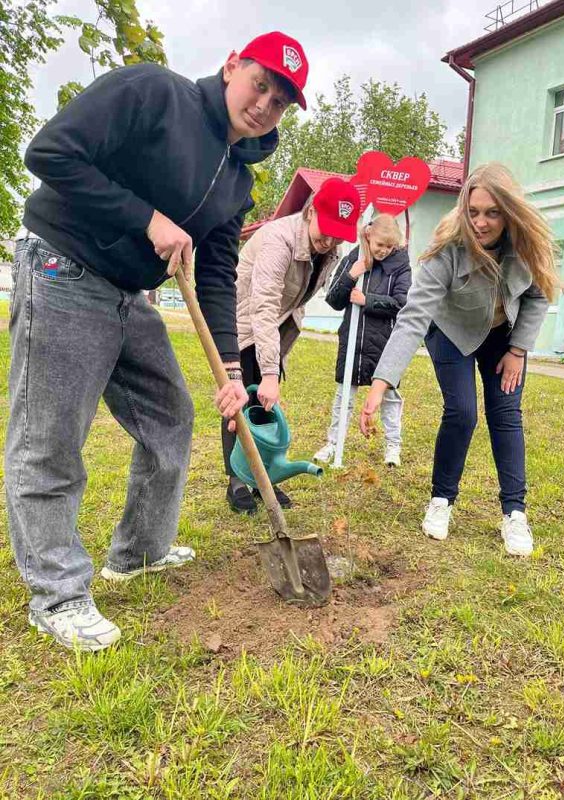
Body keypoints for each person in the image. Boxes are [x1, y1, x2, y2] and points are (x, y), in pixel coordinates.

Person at [5, 31, 310, 651]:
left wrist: (230, 369)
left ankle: (139, 552)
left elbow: (219, 276)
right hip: (63, 266)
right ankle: (58, 594)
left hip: (127, 294)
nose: (264, 105)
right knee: (52, 438)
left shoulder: (236, 181)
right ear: (232, 66)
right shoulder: (153, 92)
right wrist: (145, 218)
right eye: (261, 84)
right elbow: (49, 153)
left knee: (171, 416)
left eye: (279, 101)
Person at [360, 163, 559, 556]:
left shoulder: (524, 247)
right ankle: (441, 500)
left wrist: (518, 350)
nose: (481, 223)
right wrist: (381, 383)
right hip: (450, 332)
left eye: (492, 212)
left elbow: (537, 296)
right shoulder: (448, 250)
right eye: (473, 212)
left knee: (505, 413)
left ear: (508, 211)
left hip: (503, 336)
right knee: (462, 412)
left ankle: (515, 513)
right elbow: (413, 317)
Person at [224, 177, 361, 513]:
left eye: (337, 233)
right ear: (310, 211)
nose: (329, 240)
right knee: (240, 399)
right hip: (241, 322)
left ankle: (263, 477)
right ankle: (238, 480)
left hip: (276, 326)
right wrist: (269, 372)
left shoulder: (330, 249)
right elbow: (264, 304)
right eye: (325, 228)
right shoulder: (278, 240)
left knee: (264, 405)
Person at [313, 214, 411, 466]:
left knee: (389, 395)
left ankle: (393, 445)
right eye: (380, 245)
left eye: (389, 247)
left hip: (384, 341)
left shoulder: (400, 264)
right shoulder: (354, 258)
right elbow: (334, 300)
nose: (384, 251)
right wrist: (351, 275)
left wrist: (367, 300)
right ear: (368, 236)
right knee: (343, 394)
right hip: (353, 339)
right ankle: (334, 443)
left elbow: (402, 304)